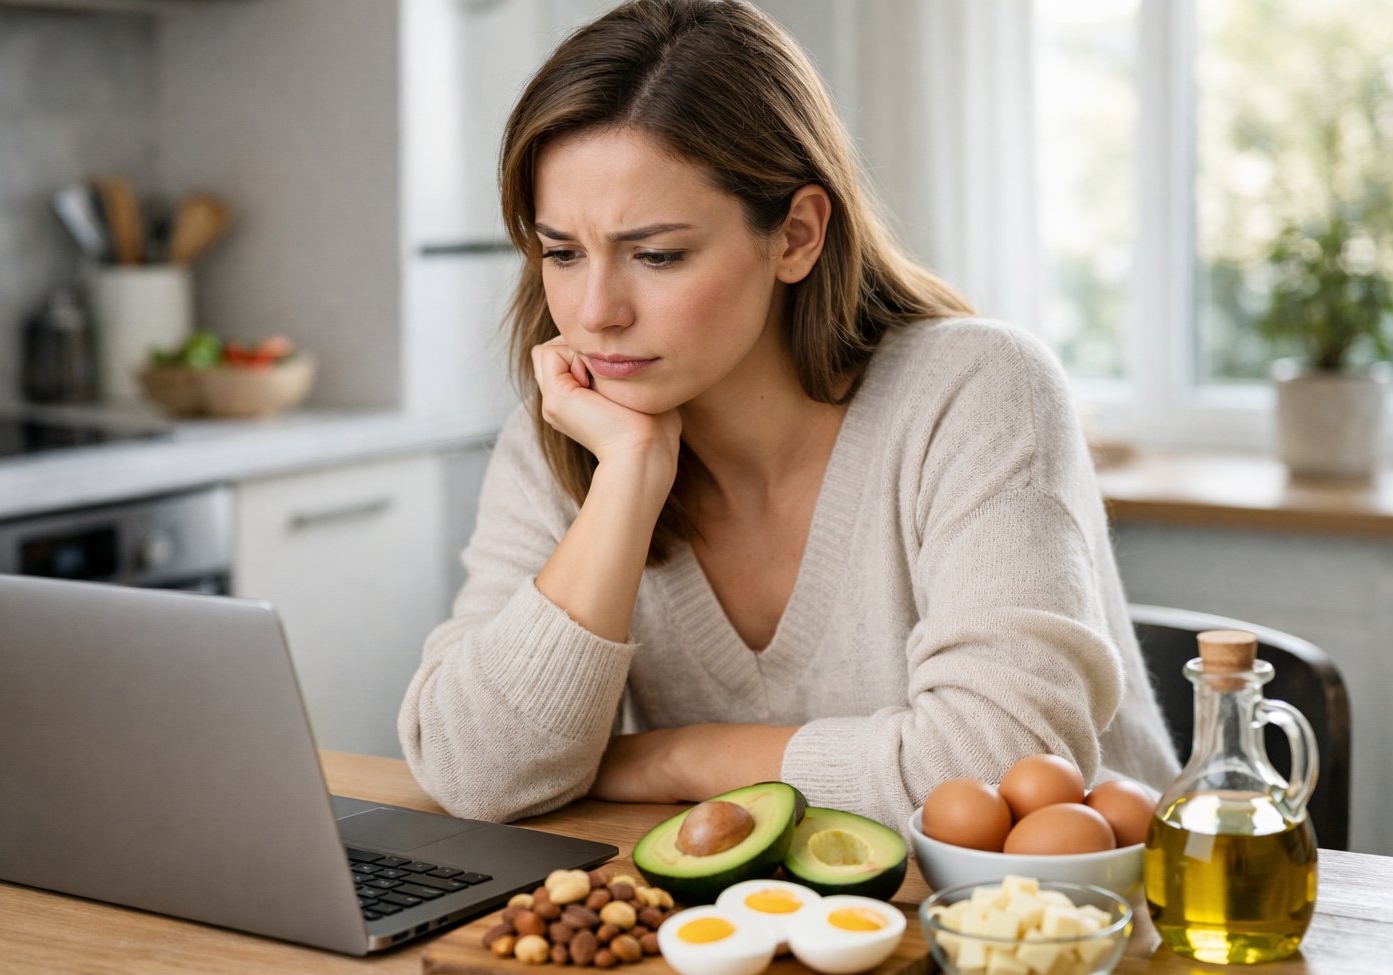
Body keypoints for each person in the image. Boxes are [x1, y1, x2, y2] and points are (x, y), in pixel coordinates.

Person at [397, 0, 1179, 827]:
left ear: (797, 235)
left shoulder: (978, 389)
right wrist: (626, 480)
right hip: (767, 931)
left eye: (657, 255)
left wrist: (674, 756)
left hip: (1084, 936)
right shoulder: (570, 434)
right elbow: (473, 772)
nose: (594, 314)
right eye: (562, 252)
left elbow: (998, 769)